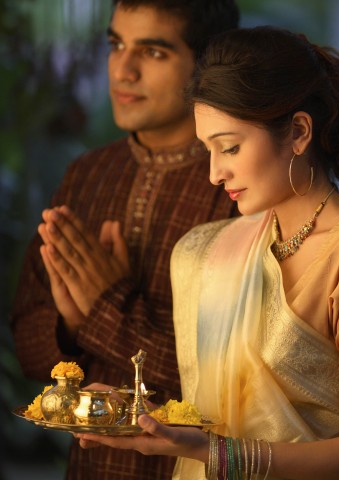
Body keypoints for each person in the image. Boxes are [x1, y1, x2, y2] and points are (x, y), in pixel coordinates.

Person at [77, 26, 339, 479]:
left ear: (299, 132)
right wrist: (144, 416)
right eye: (206, 150)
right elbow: (225, 414)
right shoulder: (210, 251)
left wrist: (219, 455)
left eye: (229, 147)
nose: (213, 173)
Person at [10, 1, 239, 479]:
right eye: (115, 45)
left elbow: (236, 386)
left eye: (153, 52)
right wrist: (71, 326)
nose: (123, 69)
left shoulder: (237, 185)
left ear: (208, 63)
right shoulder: (87, 176)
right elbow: (28, 349)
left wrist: (104, 308)